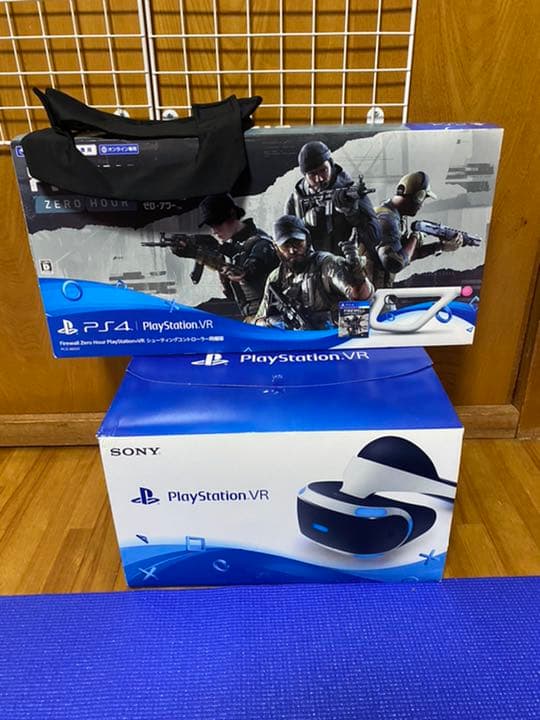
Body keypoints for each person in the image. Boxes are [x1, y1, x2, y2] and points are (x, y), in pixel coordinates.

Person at [255, 215, 374, 330]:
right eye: (285, 246)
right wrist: (271, 322)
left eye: (298, 243)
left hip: (335, 337)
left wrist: (356, 270)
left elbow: (363, 299)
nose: (292, 250)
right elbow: (257, 322)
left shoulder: (327, 265)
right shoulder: (276, 278)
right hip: (295, 340)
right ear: (276, 248)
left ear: (307, 240)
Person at [172, 194, 278, 321]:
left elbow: (243, 273)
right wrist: (195, 250)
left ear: (232, 215)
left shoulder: (261, 243)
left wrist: (199, 253)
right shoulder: (233, 246)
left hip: (268, 316)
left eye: (217, 223)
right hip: (250, 316)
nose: (214, 231)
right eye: (211, 226)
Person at [285, 140, 381, 257]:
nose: (319, 179)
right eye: (312, 174)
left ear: (331, 165)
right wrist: (304, 223)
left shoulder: (350, 192)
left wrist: (352, 213)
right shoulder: (295, 201)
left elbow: (375, 237)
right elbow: (288, 247)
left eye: (323, 170)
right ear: (304, 175)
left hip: (348, 260)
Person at [369, 171, 463, 288]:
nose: (422, 205)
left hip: (375, 290)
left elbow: (406, 256)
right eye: (423, 198)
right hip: (366, 293)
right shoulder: (387, 220)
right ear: (418, 197)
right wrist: (415, 237)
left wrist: (440, 246)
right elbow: (394, 264)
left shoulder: (395, 216)